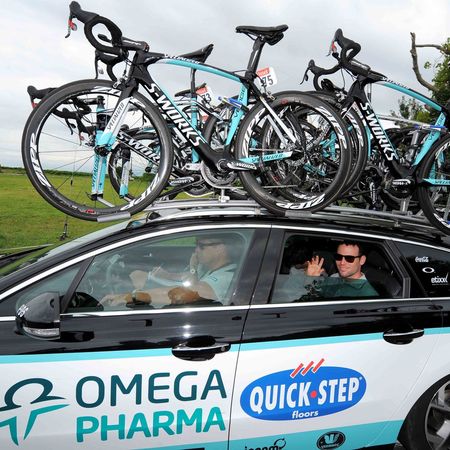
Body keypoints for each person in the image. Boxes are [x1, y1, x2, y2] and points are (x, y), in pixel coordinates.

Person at [101, 234, 237, 308]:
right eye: (196, 245)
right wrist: (168, 275)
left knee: (138, 277)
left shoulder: (225, 278)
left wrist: (129, 297)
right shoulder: (208, 267)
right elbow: (186, 279)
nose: (196, 250)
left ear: (220, 249)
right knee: (138, 276)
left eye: (201, 246)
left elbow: (183, 293)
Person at [303, 241, 378, 299]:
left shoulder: (368, 295)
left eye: (349, 258)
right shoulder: (335, 276)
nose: (342, 263)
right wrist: (310, 280)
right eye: (338, 257)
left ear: (362, 260)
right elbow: (315, 296)